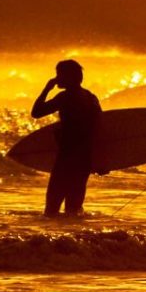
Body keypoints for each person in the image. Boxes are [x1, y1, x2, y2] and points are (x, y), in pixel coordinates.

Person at [31, 59, 102, 216]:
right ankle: (73, 238)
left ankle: (54, 239)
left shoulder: (66, 97)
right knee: (73, 210)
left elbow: (36, 112)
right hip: (84, 160)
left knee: (51, 210)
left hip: (67, 158)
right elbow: (99, 130)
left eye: (59, 74)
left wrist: (46, 89)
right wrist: (101, 161)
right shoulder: (91, 97)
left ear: (68, 77)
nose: (56, 78)